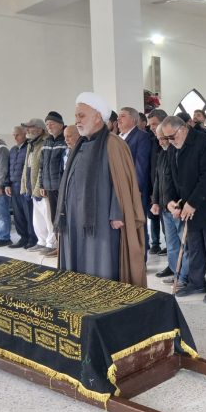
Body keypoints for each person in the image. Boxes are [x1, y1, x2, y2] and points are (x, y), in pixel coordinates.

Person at [55, 92, 146, 286]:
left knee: (100, 263)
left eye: (81, 115)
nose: (77, 121)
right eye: (76, 116)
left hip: (103, 221)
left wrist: (117, 212)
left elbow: (121, 183)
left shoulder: (113, 144)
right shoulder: (80, 144)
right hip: (73, 218)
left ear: (97, 117)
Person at [161, 116, 206, 302]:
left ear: (183, 129)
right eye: (166, 138)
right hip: (186, 206)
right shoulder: (172, 147)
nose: (170, 141)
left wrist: (193, 203)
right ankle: (196, 282)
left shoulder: (204, 142)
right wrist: (170, 201)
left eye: (172, 136)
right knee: (194, 247)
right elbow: (169, 177)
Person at [151, 121, 189, 287]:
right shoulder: (162, 154)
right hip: (165, 207)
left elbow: (179, 183)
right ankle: (175, 273)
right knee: (172, 244)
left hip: (177, 207)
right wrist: (156, 202)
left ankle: (185, 276)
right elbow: (158, 180)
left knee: (183, 244)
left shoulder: (178, 153)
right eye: (159, 139)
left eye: (164, 138)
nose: (161, 142)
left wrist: (178, 205)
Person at [118, 107, 152, 256]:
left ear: (133, 119)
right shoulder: (117, 137)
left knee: (137, 224)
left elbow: (141, 165)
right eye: (118, 116)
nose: (118, 119)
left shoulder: (141, 137)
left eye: (122, 116)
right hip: (119, 188)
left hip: (134, 189)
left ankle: (140, 259)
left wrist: (136, 188)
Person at [36, 111, 66, 257]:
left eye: (52, 124)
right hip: (49, 186)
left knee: (63, 216)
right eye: (47, 124)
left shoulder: (65, 140)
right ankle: (59, 246)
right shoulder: (47, 142)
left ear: (61, 125)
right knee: (54, 218)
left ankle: (65, 247)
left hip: (61, 187)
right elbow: (41, 166)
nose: (49, 127)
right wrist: (42, 185)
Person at [20, 118, 51, 253]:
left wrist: (39, 188)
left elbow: (42, 169)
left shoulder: (45, 142)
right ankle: (41, 241)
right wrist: (24, 186)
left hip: (42, 189)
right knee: (37, 219)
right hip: (32, 187)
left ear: (39, 129)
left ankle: (51, 244)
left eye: (30, 127)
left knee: (48, 218)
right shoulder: (31, 144)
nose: (27, 130)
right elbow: (26, 167)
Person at [6, 126, 36, 249]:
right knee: (18, 214)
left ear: (24, 134)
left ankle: (32, 238)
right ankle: (23, 237)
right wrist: (7, 184)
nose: (15, 137)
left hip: (25, 185)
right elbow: (8, 168)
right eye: (13, 135)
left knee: (29, 213)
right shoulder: (13, 150)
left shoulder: (30, 147)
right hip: (14, 185)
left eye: (17, 134)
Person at [146, 109, 168, 258]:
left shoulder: (171, 143)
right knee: (163, 225)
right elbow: (153, 170)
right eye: (150, 124)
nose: (152, 127)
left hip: (170, 194)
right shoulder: (153, 142)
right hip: (157, 190)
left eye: (154, 124)